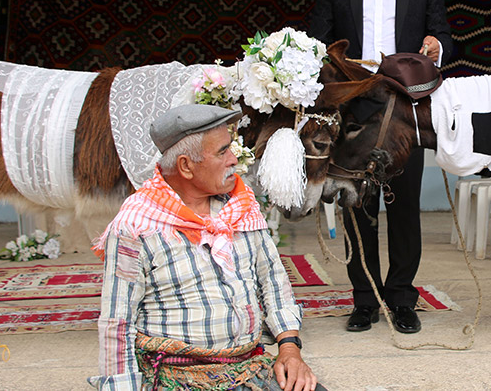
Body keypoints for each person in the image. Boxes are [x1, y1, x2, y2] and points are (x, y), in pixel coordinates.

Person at [90, 104, 320, 391]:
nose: (234, 159)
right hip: (176, 378)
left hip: (245, 368)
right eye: (222, 151)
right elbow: (117, 323)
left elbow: (274, 283)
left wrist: (289, 350)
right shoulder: (137, 226)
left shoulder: (242, 207)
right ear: (186, 166)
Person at [308, 0, 454, 334]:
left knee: (405, 206)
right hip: (355, 103)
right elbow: (315, 40)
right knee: (358, 206)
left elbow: (446, 36)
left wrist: (436, 48)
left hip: (404, 107)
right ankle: (364, 299)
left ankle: (403, 299)